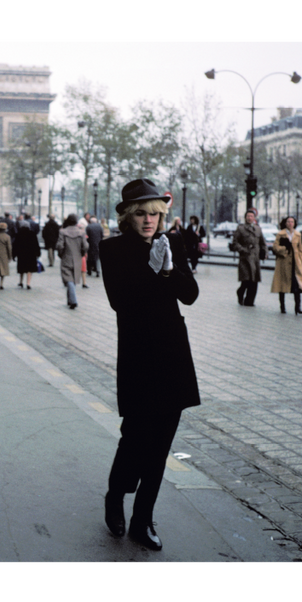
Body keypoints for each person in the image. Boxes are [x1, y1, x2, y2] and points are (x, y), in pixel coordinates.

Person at [100, 179, 200, 551]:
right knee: (135, 437)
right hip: (138, 355)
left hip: (172, 353)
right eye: (141, 213)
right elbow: (120, 301)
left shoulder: (172, 243)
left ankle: (143, 519)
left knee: (160, 446)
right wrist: (150, 270)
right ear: (128, 216)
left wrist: (169, 270)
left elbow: (190, 295)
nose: (148, 220)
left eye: (155, 213)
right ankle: (115, 495)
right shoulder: (112, 248)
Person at [271, 216, 302, 314]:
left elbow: (300, 249)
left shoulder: (298, 234)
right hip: (283, 263)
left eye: (292, 222)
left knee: (297, 285)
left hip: (295, 263)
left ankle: (298, 307)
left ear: (294, 223)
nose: (290, 223)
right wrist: (284, 248)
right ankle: (282, 307)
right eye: (288, 222)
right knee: (282, 285)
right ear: (285, 223)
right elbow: (275, 247)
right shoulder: (280, 234)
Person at [233, 209, 266, 307]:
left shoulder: (258, 229)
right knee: (246, 279)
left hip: (255, 259)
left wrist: (264, 252)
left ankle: (250, 301)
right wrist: (243, 250)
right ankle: (240, 292)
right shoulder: (240, 229)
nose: (249, 218)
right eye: (248, 216)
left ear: (254, 218)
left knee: (254, 280)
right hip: (245, 258)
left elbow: (262, 243)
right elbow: (235, 242)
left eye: (251, 216)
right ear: (245, 217)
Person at [55, 214, 88, 309]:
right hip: (77, 258)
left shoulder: (62, 232)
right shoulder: (81, 232)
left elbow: (60, 245)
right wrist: (82, 254)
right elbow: (85, 246)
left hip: (66, 257)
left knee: (69, 279)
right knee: (73, 279)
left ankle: (73, 300)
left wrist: (61, 254)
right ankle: (70, 300)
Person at [13, 217, 41, 289]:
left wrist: (14, 254)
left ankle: (21, 282)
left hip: (21, 254)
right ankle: (28, 283)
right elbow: (36, 245)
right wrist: (38, 253)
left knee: (22, 268)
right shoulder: (32, 234)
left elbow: (15, 245)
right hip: (31, 254)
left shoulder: (19, 234)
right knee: (29, 269)